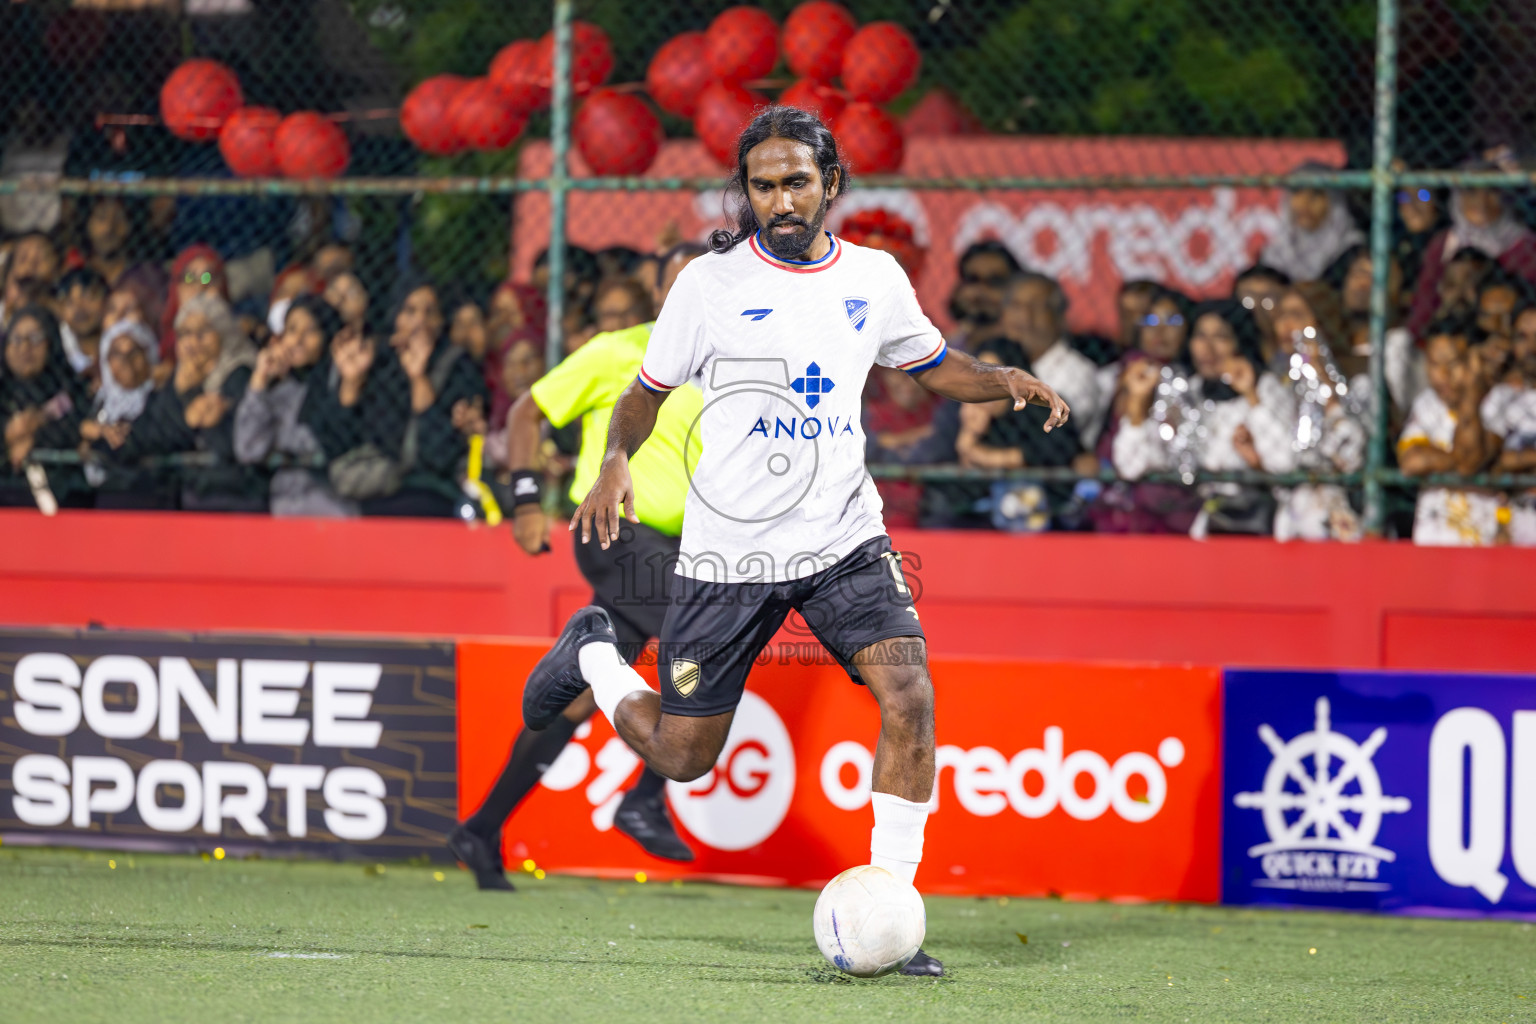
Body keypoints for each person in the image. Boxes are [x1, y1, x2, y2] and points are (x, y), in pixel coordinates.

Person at [527, 107, 1069, 978]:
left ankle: (894, 915)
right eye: (763, 185)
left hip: (845, 539)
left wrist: (1002, 380)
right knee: (683, 756)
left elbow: (932, 365)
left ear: (831, 186)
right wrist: (615, 460)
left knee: (910, 695)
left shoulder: (877, 277)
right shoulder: (708, 285)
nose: (780, 200)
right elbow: (645, 392)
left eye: (796, 183)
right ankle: (594, 653)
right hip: (728, 554)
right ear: (747, 192)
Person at [447, 245, 710, 890]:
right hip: (616, 532)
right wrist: (527, 501)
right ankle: (646, 799)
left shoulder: (729, 366)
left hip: (677, 550)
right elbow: (526, 411)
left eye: (698, 280)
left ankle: (480, 828)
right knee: (704, 634)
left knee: (581, 696)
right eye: (674, 281)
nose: (686, 292)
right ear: (657, 292)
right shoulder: (620, 352)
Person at [1110, 300, 1294, 536]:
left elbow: (1285, 463)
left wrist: (1251, 395)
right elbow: (1130, 466)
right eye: (1200, 336)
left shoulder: (1266, 389)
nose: (1208, 348)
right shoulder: (1186, 392)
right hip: (1199, 523)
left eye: (1221, 337)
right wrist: (1137, 405)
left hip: (1261, 519)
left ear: (1240, 342)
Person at [234, 295, 358, 517]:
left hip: (332, 506)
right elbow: (248, 448)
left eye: (310, 331)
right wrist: (259, 382)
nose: (298, 339)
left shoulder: (340, 381)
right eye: (291, 330)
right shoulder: (278, 388)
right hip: (285, 507)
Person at [1398, 320, 1501, 545]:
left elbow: (1470, 459)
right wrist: (1468, 463)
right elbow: (1412, 461)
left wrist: (1472, 393)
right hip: (1434, 541)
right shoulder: (1426, 404)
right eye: (1434, 364)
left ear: (1473, 362)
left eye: (1454, 364)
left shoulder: (1496, 402)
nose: (1443, 374)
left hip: (1486, 542)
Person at [1407, 179, 1536, 338]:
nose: (1481, 200)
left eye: (1491, 191)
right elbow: (1425, 300)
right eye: (1471, 191)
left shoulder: (1526, 245)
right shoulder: (1444, 243)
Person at [993, 272, 1104, 452]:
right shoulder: (995, 359)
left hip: (1058, 474)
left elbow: (1051, 433)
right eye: (1015, 305)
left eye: (1036, 307)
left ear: (1059, 318)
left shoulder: (1077, 372)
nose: (1024, 316)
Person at [0, 304, 87, 507]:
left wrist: (36, 437)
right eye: (16, 339)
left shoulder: (74, 388)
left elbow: (82, 427)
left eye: (35, 338)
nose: (24, 348)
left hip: (69, 502)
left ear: (52, 342)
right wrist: (8, 435)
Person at [1482, 301, 1536, 544]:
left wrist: (1516, 461)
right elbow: (1489, 464)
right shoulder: (1500, 398)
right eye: (1523, 337)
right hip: (1512, 527)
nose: (1532, 347)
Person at [1259, 177, 1364, 283]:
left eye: (1316, 194)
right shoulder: (1277, 249)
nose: (1304, 203)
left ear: (1334, 200)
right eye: (1298, 192)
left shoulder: (1351, 250)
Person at [56, 267, 108, 385]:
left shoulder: (128, 341)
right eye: (70, 302)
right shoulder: (59, 361)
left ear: (107, 300)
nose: (80, 309)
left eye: (88, 297)